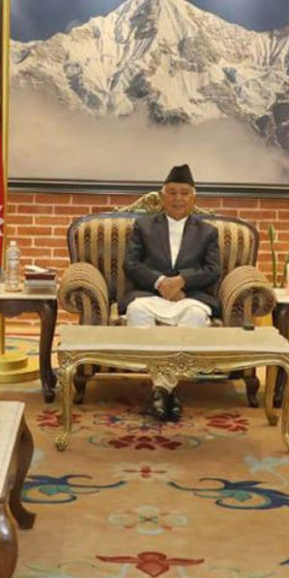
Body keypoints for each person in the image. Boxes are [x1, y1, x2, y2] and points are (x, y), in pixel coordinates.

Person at [120, 164, 221, 422]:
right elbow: (131, 264)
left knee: (195, 316)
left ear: (193, 198)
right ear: (162, 197)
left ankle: (161, 389)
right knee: (136, 310)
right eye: (172, 193)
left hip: (189, 298)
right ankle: (168, 391)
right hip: (150, 295)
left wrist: (182, 282)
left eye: (184, 193)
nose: (178, 199)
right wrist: (161, 283)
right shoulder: (144, 226)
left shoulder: (208, 232)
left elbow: (212, 270)